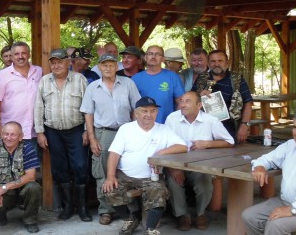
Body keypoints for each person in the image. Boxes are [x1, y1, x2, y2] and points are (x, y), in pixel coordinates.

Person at [101, 97, 187, 235]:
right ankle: (130, 219)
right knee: (109, 190)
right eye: (144, 111)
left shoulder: (163, 129)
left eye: (153, 111)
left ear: (157, 113)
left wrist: (161, 152)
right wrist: (110, 176)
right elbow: (114, 154)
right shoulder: (126, 129)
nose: (149, 114)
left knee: (159, 192)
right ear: (136, 114)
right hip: (125, 175)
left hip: (151, 177)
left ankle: (150, 229)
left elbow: (183, 146)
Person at [80, 54, 141, 225]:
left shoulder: (128, 83)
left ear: (117, 66)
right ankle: (105, 211)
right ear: (99, 67)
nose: (108, 68)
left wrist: (136, 133)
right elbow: (88, 113)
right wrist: (92, 138)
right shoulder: (93, 87)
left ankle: (130, 209)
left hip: (125, 131)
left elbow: (136, 109)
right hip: (103, 133)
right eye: (104, 65)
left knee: (127, 169)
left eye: (111, 65)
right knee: (102, 172)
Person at [34, 49, 91, 222]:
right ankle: (67, 207)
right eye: (53, 62)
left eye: (60, 61)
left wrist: (88, 130)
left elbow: (89, 107)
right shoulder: (44, 81)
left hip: (76, 130)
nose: (56, 65)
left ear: (68, 62)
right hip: (53, 131)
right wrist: (40, 132)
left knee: (80, 166)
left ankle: (82, 207)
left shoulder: (80, 80)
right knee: (59, 168)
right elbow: (38, 107)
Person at [164, 91, 234, 231]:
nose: (183, 104)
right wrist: (173, 168)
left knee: (205, 185)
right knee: (173, 183)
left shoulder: (210, 120)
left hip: (200, 166)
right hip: (176, 163)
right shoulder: (172, 118)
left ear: (199, 105)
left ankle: (201, 214)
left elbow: (229, 142)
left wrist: (207, 144)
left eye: (188, 101)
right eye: (182, 101)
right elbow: (164, 145)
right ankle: (182, 216)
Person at [0, 122, 42, 233]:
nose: (8, 138)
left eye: (13, 135)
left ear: (20, 137)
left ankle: (30, 220)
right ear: (1, 134)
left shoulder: (27, 147)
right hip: (2, 194)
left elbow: (31, 176)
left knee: (34, 187)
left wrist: (5, 187)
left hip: (21, 192)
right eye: (6, 134)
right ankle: (0, 216)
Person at [192, 50, 254, 142]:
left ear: (227, 63)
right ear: (208, 63)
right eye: (213, 61)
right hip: (205, 129)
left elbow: (248, 103)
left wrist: (244, 125)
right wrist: (199, 96)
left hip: (231, 128)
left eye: (220, 61)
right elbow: (191, 100)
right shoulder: (201, 78)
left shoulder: (237, 79)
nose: (216, 64)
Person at [0, 41, 42, 143]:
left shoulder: (39, 71)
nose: (20, 56)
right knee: (9, 159)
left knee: (32, 159)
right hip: (10, 132)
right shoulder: (2, 76)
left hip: (33, 131)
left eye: (23, 53)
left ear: (29, 54)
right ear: (12, 57)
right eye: (16, 54)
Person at [132, 45, 184, 124]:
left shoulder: (173, 77)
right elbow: (132, 106)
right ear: (145, 57)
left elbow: (181, 102)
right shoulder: (135, 79)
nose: (153, 56)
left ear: (163, 59)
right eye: (150, 54)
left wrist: (176, 122)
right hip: (143, 126)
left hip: (167, 125)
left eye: (157, 54)